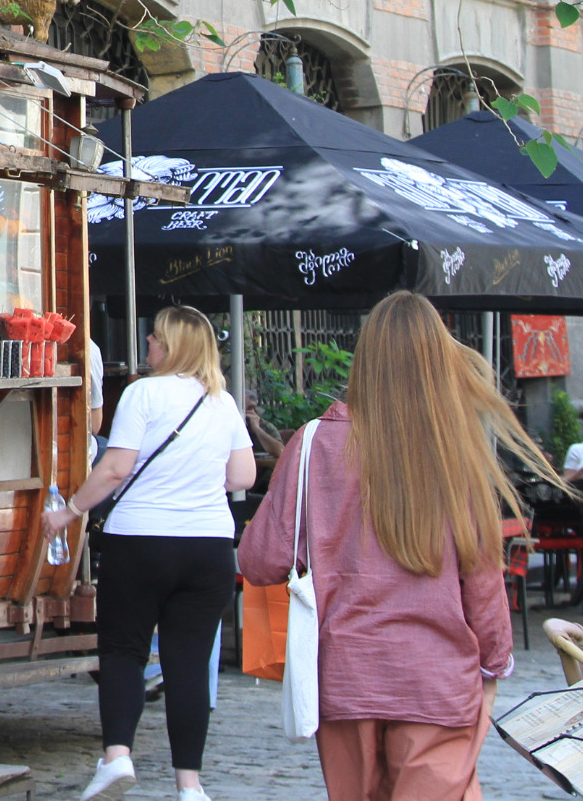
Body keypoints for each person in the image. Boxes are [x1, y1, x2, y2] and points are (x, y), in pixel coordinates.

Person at [241, 291, 569, 801]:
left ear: (365, 359)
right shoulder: (453, 449)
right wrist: (494, 664)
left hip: (346, 679)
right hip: (437, 681)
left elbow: (259, 561)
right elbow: (482, 581)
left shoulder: (312, 444)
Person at [42, 306, 255, 801]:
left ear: (173, 345)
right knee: (189, 664)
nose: (149, 344)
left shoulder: (143, 393)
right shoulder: (221, 402)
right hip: (208, 547)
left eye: (156, 337)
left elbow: (115, 468)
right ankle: (190, 784)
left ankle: (118, 756)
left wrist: (69, 511)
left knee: (123, 651)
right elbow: (242, 477)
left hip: (140, 540)